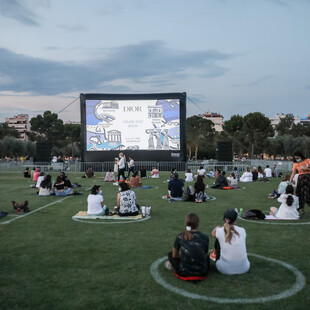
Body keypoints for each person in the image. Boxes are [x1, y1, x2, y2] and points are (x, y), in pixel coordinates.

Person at [165, 213, 209, 278]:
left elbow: (174, 255)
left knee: (170, 255)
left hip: (184, 271)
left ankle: (171, 266)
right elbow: (204, 254)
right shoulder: (205, 237)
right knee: (206, 258)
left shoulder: (180, 236)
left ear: (186, 223)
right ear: (198, 224)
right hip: (201, 272)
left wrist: (184, 254)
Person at [210, 209, 250, 275]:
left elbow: (213, 233)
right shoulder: (242, 230)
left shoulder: (220, 230)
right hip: (244, 268)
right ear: (235, 219)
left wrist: (221, 226)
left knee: (218, 239)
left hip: (224, 269)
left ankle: (214, 253)